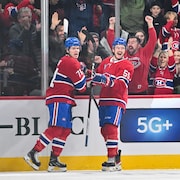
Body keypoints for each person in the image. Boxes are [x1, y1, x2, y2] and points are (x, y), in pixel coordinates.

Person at [24, 37, 87, 172]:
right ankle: (33, 152)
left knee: (65, 130)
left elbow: (78, 80)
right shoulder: (70, 62)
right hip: (59, 97)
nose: (76, 51)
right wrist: (87, 75)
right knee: (57, 128)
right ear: (67, 50)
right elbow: (81, 87)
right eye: (73, 48)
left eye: (78, 48)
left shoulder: (71, 62)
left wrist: (84, 73)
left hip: (65, 98)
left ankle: (54, 159)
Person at [91, 38, 134, 171]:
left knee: (111, 127)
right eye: (118, 48)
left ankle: (111, 159)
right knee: (104, 129)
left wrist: (106, 80)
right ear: (113, 49)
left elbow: (121, 85)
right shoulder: (105, 62)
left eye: (122, 48)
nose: (120, 50)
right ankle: (115, 155)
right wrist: (89, 77)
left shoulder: (127, 65)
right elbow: (97, 76)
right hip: (104, 99)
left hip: (117, 100)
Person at [125, 15, 157, 95]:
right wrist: (111, 27)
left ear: (139, 44)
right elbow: (112, 44)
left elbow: (153, 40)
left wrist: (150, 24)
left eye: (133, 42)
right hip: (125, 91)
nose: (130, 44)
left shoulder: (144, 52)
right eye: (129, 42)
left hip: (142, 91)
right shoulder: (123, 54)